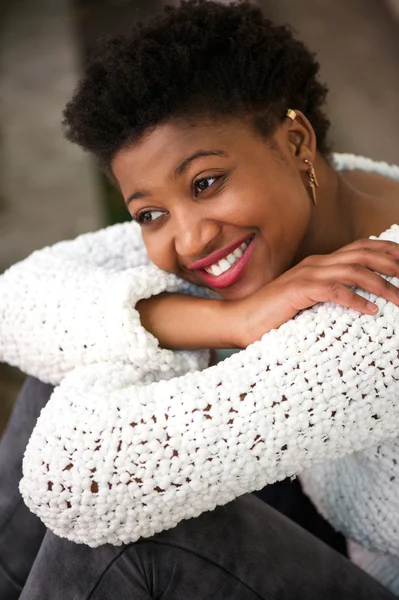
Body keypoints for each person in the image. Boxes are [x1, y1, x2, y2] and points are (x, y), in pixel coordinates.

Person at [1, 0, 399, 597]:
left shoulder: (379, 299)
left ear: (294, 142)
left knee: (126, 527)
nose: (189, 238)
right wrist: (229, 320)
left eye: (206, 183)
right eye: (151, 213)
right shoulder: (344, 186)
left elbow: (70, 477)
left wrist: (141, 352)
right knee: (81, 356)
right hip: (325, 505)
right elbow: (15, 300)